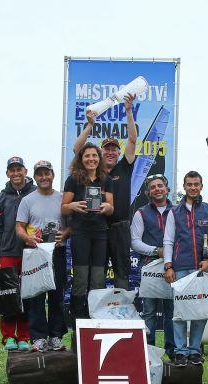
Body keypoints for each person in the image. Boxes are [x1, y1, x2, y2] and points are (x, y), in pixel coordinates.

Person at [74, 94, 137, 289]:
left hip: (119, 228)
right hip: (97, 227)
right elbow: (77, 150)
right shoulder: (93, 170)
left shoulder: (124, 167)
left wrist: (128, 111)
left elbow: (133, 140)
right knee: (97, 273)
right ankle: (96, 313)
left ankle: (121, 313)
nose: (110, 152)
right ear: (100, 153)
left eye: (114, 149)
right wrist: (90, 126)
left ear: (119, 153)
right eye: (107, 149)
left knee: (121, 272)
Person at [163, 171, 208, 366]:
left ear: (201, 186)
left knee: (199, 310)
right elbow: (168, 240)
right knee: (179, 311)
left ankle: (195, 349)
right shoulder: (174, 212)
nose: (193, 187)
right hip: (180, 268)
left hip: (202, 268)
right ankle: (180, 351)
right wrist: (168, 266)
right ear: (184, 186)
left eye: (196, 184)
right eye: (189, 184)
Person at [15, 160, 70, 353]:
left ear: (53, 175)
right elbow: (19, 226)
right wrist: (27, 238)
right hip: (36, 252)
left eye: (47, 173)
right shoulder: (28, 200)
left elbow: (71, 223)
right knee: (36, 296)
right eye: (40, 174)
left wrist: (66, 233)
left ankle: (55, 336)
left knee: (57, 295)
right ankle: (38, 338)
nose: (44, 177)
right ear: (35, 177)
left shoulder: (63, 198)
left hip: (57, 251)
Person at [62, 143, 114, 327]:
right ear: (81, 159)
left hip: (101, 234)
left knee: (98, 278)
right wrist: (73, 206)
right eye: (87, 156)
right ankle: (77, 318)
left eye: (94, 155)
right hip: (81, 233)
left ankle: (96, 318)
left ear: (99, 159)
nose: (91, 159)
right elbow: (64, 207)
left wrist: (107, 208)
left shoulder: (106, 179)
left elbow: (111, 208)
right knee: (81, 277)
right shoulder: (72, 179)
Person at [0, 157, 36, 351]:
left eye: (19, 169)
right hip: (7, 252)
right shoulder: (1, 197)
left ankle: (25, 336)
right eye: (12, 170)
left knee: (28, 295)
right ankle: (9, 336)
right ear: (7, 173)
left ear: (25, 171)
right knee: (8, 295)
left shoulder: (35, 193)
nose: (16, 173)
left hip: (31, 251)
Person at [130, 174, 175, 359]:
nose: (157, 189)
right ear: (148, 192)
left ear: (167, 188)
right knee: (148, 312)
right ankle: (148, 353)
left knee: (172, 312)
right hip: (150, 266)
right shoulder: (141, 213)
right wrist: (157, 251)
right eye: (153, 187)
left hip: (173, 267)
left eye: (160, 185)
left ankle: (173, 351)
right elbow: (135, 242)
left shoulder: (178, 210)